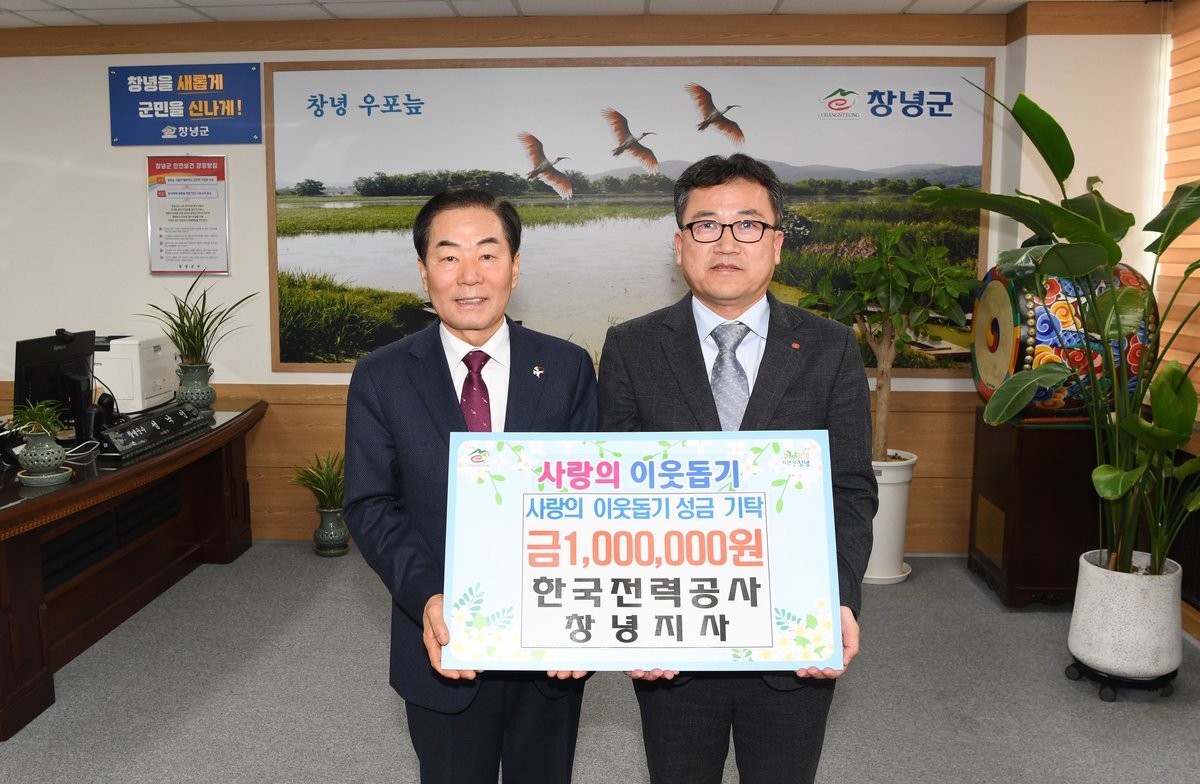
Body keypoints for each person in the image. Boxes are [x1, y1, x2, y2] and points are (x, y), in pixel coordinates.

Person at [596, 153, 877, 784]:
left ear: (776, 245)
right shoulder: (631, 347)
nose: (726, 242)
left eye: (748, 224)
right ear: (679, 245)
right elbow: (614, 498)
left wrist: (838, 598)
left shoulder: (830, 347)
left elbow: (850, 490)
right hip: (672, 637)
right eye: (706, 225)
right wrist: (630, 619)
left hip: (792, 633)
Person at [344, 188, 596, 784]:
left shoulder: (567, 367)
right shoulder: (381, 376)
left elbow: (591, 501)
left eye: (487, 254)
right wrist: (430, 597)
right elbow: (372, 504)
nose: (469, 276)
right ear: (423, 271)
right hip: (441, 641)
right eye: (448, 256)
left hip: (550, 642)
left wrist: (580, 611)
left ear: (515, 265)